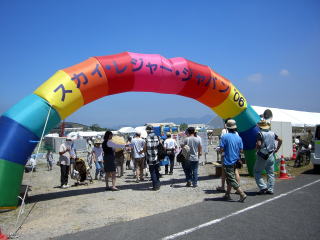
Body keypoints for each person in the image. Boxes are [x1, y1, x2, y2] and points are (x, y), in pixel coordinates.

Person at [219, 119, 247, 202]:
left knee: (231, 178)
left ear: (227, 127)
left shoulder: (224, 137)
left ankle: (242, 193)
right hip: (236, 160)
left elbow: (221, 149)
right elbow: (241, 150)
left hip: (228, 160)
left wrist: (221, 150)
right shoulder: (238, 137)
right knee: (229, 178)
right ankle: (227, 194)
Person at [255, 119, 282, 195]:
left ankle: (263, 187)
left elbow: (259, 144)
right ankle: (270, 189)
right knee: (270, 173)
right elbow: (280, 140)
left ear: (260, 127)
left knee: (257, 171)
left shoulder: (260, 134)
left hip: (262, 155)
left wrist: (257, 147)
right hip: (271, 154)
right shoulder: (272, 133)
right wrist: (277, 149)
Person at [216, 119, 241, 192]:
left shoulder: (224, 132)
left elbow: (222, 146)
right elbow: (240, 148)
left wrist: (220, 150)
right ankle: (231, 191)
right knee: (235, 171)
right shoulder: (237, 134)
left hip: (226, 156)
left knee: (225, 173)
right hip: (236, 156)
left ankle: (224, 187)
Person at [145, 125, 161, 190]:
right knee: (157, 171)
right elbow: (159, 145)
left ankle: (155, 186)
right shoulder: (157, 136)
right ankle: (158, 184)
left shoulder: (146, 138)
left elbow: (145, 148)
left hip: (150, 157)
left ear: (148, 130)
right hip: (156, 156)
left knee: (152, 172)